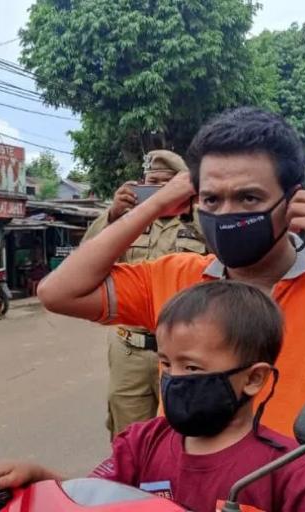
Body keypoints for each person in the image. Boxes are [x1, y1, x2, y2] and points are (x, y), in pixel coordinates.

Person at [37, 107, 305, 512]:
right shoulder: (176, 277)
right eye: (212, 199)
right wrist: (152, 206)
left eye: (248, 197)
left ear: (295, 200)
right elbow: (58, 292)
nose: (227, 214)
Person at [0, 281, 305, 512]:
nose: (174, 379)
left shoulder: (287, 470)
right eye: (167, 364)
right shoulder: (142, 443)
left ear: (253, 379)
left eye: (192, 368)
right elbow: (96, 499)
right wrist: (41, 477)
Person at [81, 149, 207, 439]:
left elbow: (230, 256)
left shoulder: (197, 219)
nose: (154, 191)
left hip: (188, 347)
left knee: (188, 432)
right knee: (128, 434)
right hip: (130, 348)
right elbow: (84, 262)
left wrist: (192, 204)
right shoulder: (127, 222)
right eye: (149, 183)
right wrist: (113, 214)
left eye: (164, 184)